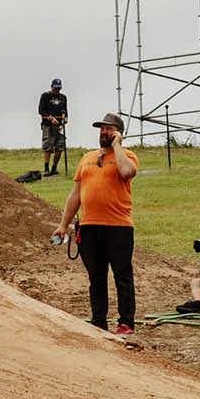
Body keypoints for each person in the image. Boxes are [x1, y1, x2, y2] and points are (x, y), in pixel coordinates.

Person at [53, 113, 141, 335]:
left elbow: (127, 171)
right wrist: (63, 225)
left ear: (118, 132)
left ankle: (126, 323)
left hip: (118, 226)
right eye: (101, 129)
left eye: (109, 129)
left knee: (122, 275)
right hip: (90, 227)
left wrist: (117, 146)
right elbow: (76, 194)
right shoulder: (87, 158)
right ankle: (99, 323)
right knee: (96, 277)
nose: (104, 132)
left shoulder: (127, 155)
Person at [38, 79, 69, 176]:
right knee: (48, 147)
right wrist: (50, 118)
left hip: (58, 126)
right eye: (56, 88)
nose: (57, 91)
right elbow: (41, 110)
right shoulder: (45, 96)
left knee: (60, 147)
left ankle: (54, 168)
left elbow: (65, 110)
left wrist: (65, 119)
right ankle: (46, 169)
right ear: (51, 86)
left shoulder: (63, 97)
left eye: (59, 89)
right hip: (48, 125)